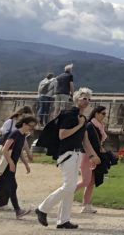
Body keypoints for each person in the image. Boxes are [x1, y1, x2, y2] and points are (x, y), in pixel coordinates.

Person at [35, 87, 100, 230]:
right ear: (76, 99)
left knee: (70, 189)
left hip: (76, 154)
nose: (87, 101)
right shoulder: (69, 114)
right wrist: (80, 125)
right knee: (69, 186)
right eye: (84, 98)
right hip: (67, 153)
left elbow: (85, 140)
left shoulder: (82, 118)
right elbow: (62, 134)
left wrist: (92, 155)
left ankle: (63, 220)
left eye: (89, 99)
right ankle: (42, 208)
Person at [0, 114, 36, 219]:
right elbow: (5, 150)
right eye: (30, 126)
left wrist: (26, 164)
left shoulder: (22, 136)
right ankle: (18, 210)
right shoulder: (15, 134)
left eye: (33, 126)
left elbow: (19, 152)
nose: (32, 128)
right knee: (12, 187)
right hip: (7, 165)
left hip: (11, 165)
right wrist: (11, 163)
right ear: (24, 124)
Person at [75, 104, 108, 214]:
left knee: (91, 182)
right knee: (85, 181)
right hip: (87, 155)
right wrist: (93, 155)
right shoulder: (90, 126)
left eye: (105, 114)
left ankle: (86, 205)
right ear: (96, 113)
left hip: (94, 155)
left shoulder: (98, 126)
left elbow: (97, 142)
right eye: (103, 113)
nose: (104, 116)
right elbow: (86, 143)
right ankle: (65, 193)